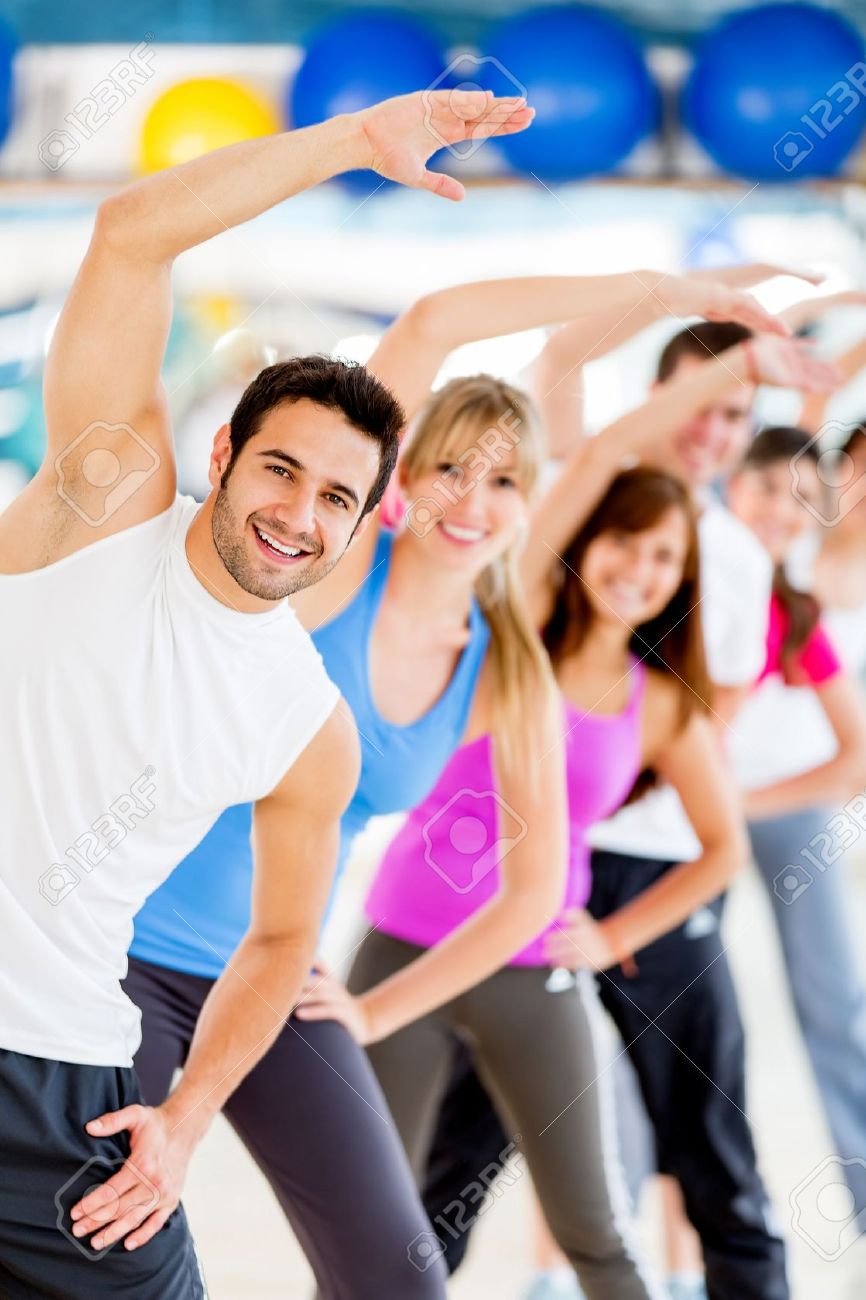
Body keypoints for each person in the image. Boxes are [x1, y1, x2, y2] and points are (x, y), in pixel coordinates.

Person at [123, 260, 785, 1296]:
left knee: (400, 1276)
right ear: (403, 476)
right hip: (130, 950)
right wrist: (661, 292)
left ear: (531, 503)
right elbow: (432, 321)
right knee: (114, 1236)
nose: (471, 502)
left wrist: (376, 1015)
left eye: (506, 480)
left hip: (273, 980)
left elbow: (528, 892)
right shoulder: (337, 565)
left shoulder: (502, 663)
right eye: (448, 471)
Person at [0, 86, 540, 1296]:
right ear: (220, 457)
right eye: (279, 469)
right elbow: (132, 232)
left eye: (336, 496)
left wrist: (185, 1119)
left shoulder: (306, 725)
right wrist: (352, 143)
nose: (299, 513)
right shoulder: (103, 504)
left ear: (369, 517)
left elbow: (284, 938)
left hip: (60, 1080)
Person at [420, 322, 840, 1300]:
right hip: (530, 863)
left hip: (652, 871)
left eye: (736, 410)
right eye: (699, 401)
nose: (712, 430)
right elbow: (563, 386)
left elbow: (706, 734)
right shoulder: (579, 501)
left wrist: (620, 907)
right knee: (459, 1149)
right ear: (656, 397)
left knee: (708, 1147)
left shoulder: (734, 556)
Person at [340, 457, 752, 1300]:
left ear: (684, 579)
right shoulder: (509, 626)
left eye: (664, 557)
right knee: (369, 1224)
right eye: (624, 541)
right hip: (403, 948)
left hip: (535, 967)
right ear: (586, 540)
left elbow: (723, 849)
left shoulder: (662, 701)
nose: (638, 569)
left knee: (593, 1229)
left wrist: (614, 936)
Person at [728, 424, 866, 1231]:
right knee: (682, 1010)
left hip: (798, 804)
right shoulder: (785, 544)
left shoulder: (814, 579)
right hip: (700, 802)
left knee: (833, 1002)